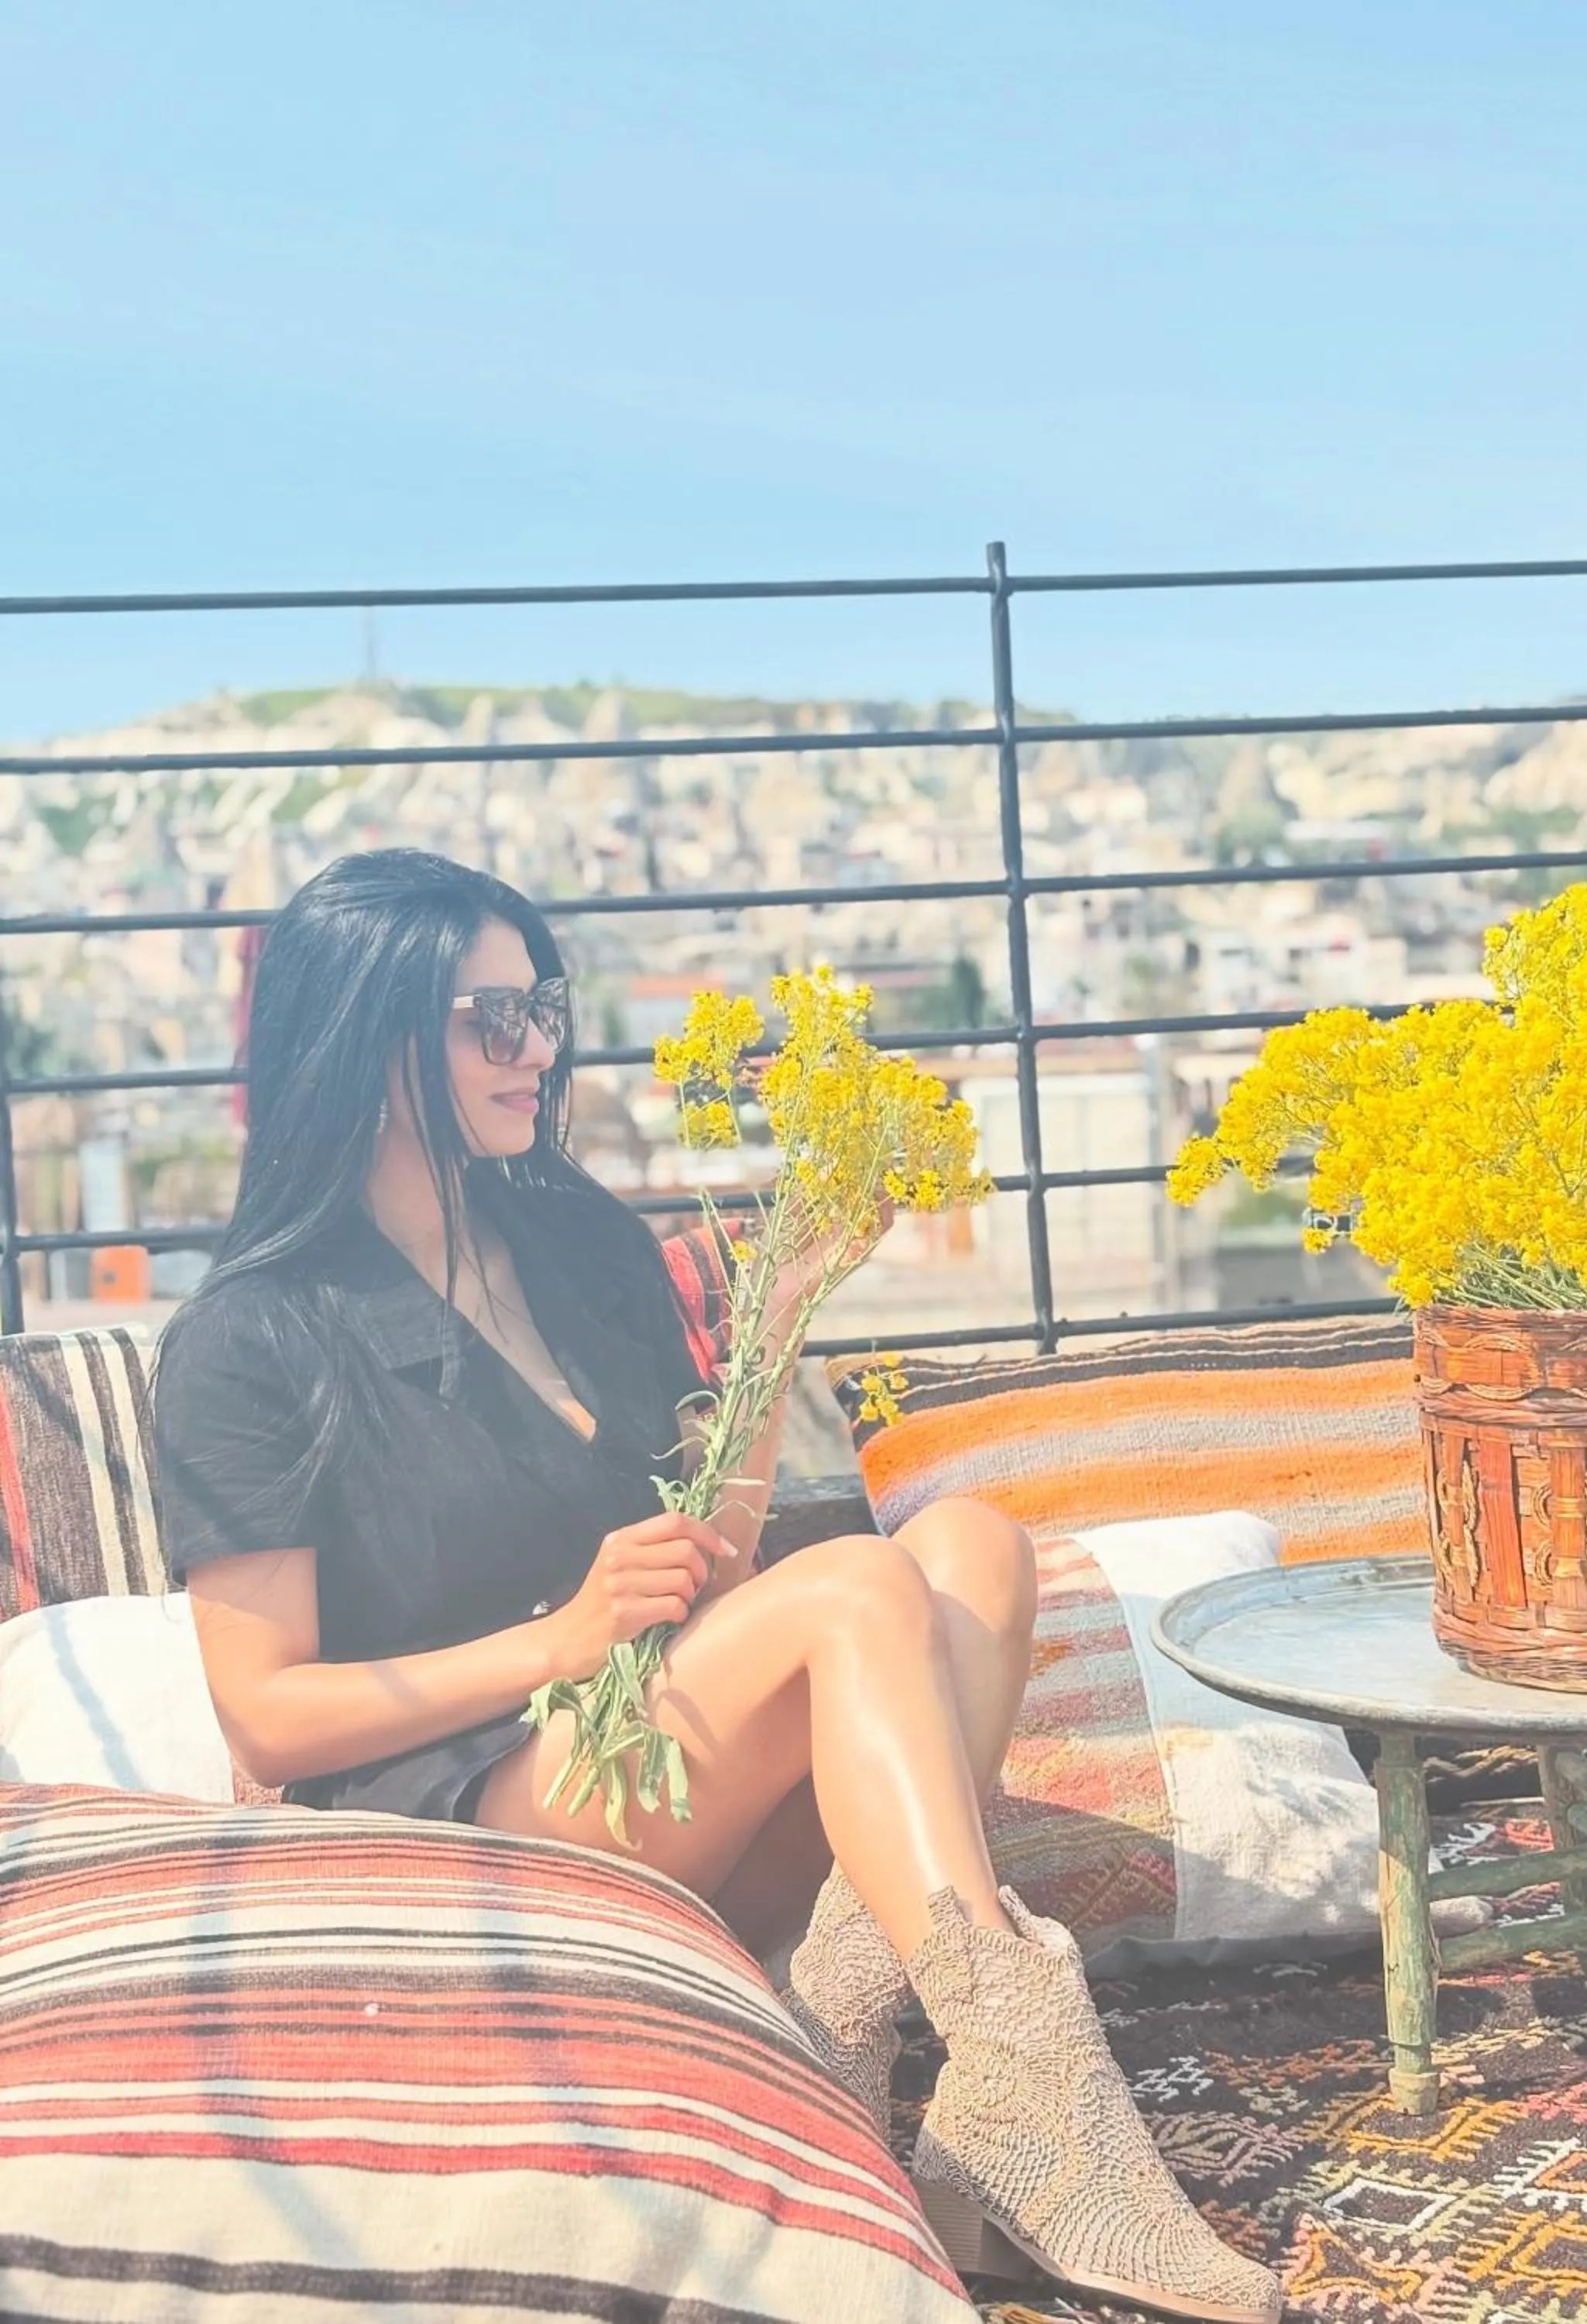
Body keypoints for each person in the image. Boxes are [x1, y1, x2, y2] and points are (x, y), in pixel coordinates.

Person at [153, 847, 1282, 2324]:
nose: (539, 1050)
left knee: (969, 1551)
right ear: (368, 1039)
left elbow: (718, 1556)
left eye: (543, 1008)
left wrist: (788, 1307)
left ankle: (851, 2037)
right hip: (458, 1813)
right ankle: (1027, 2098)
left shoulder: (571, 1244)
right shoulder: (254, 1339)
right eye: (493, 1020)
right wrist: (557, 1641)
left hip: (656, 1767)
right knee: (860, 1590)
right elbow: (267, 1721)